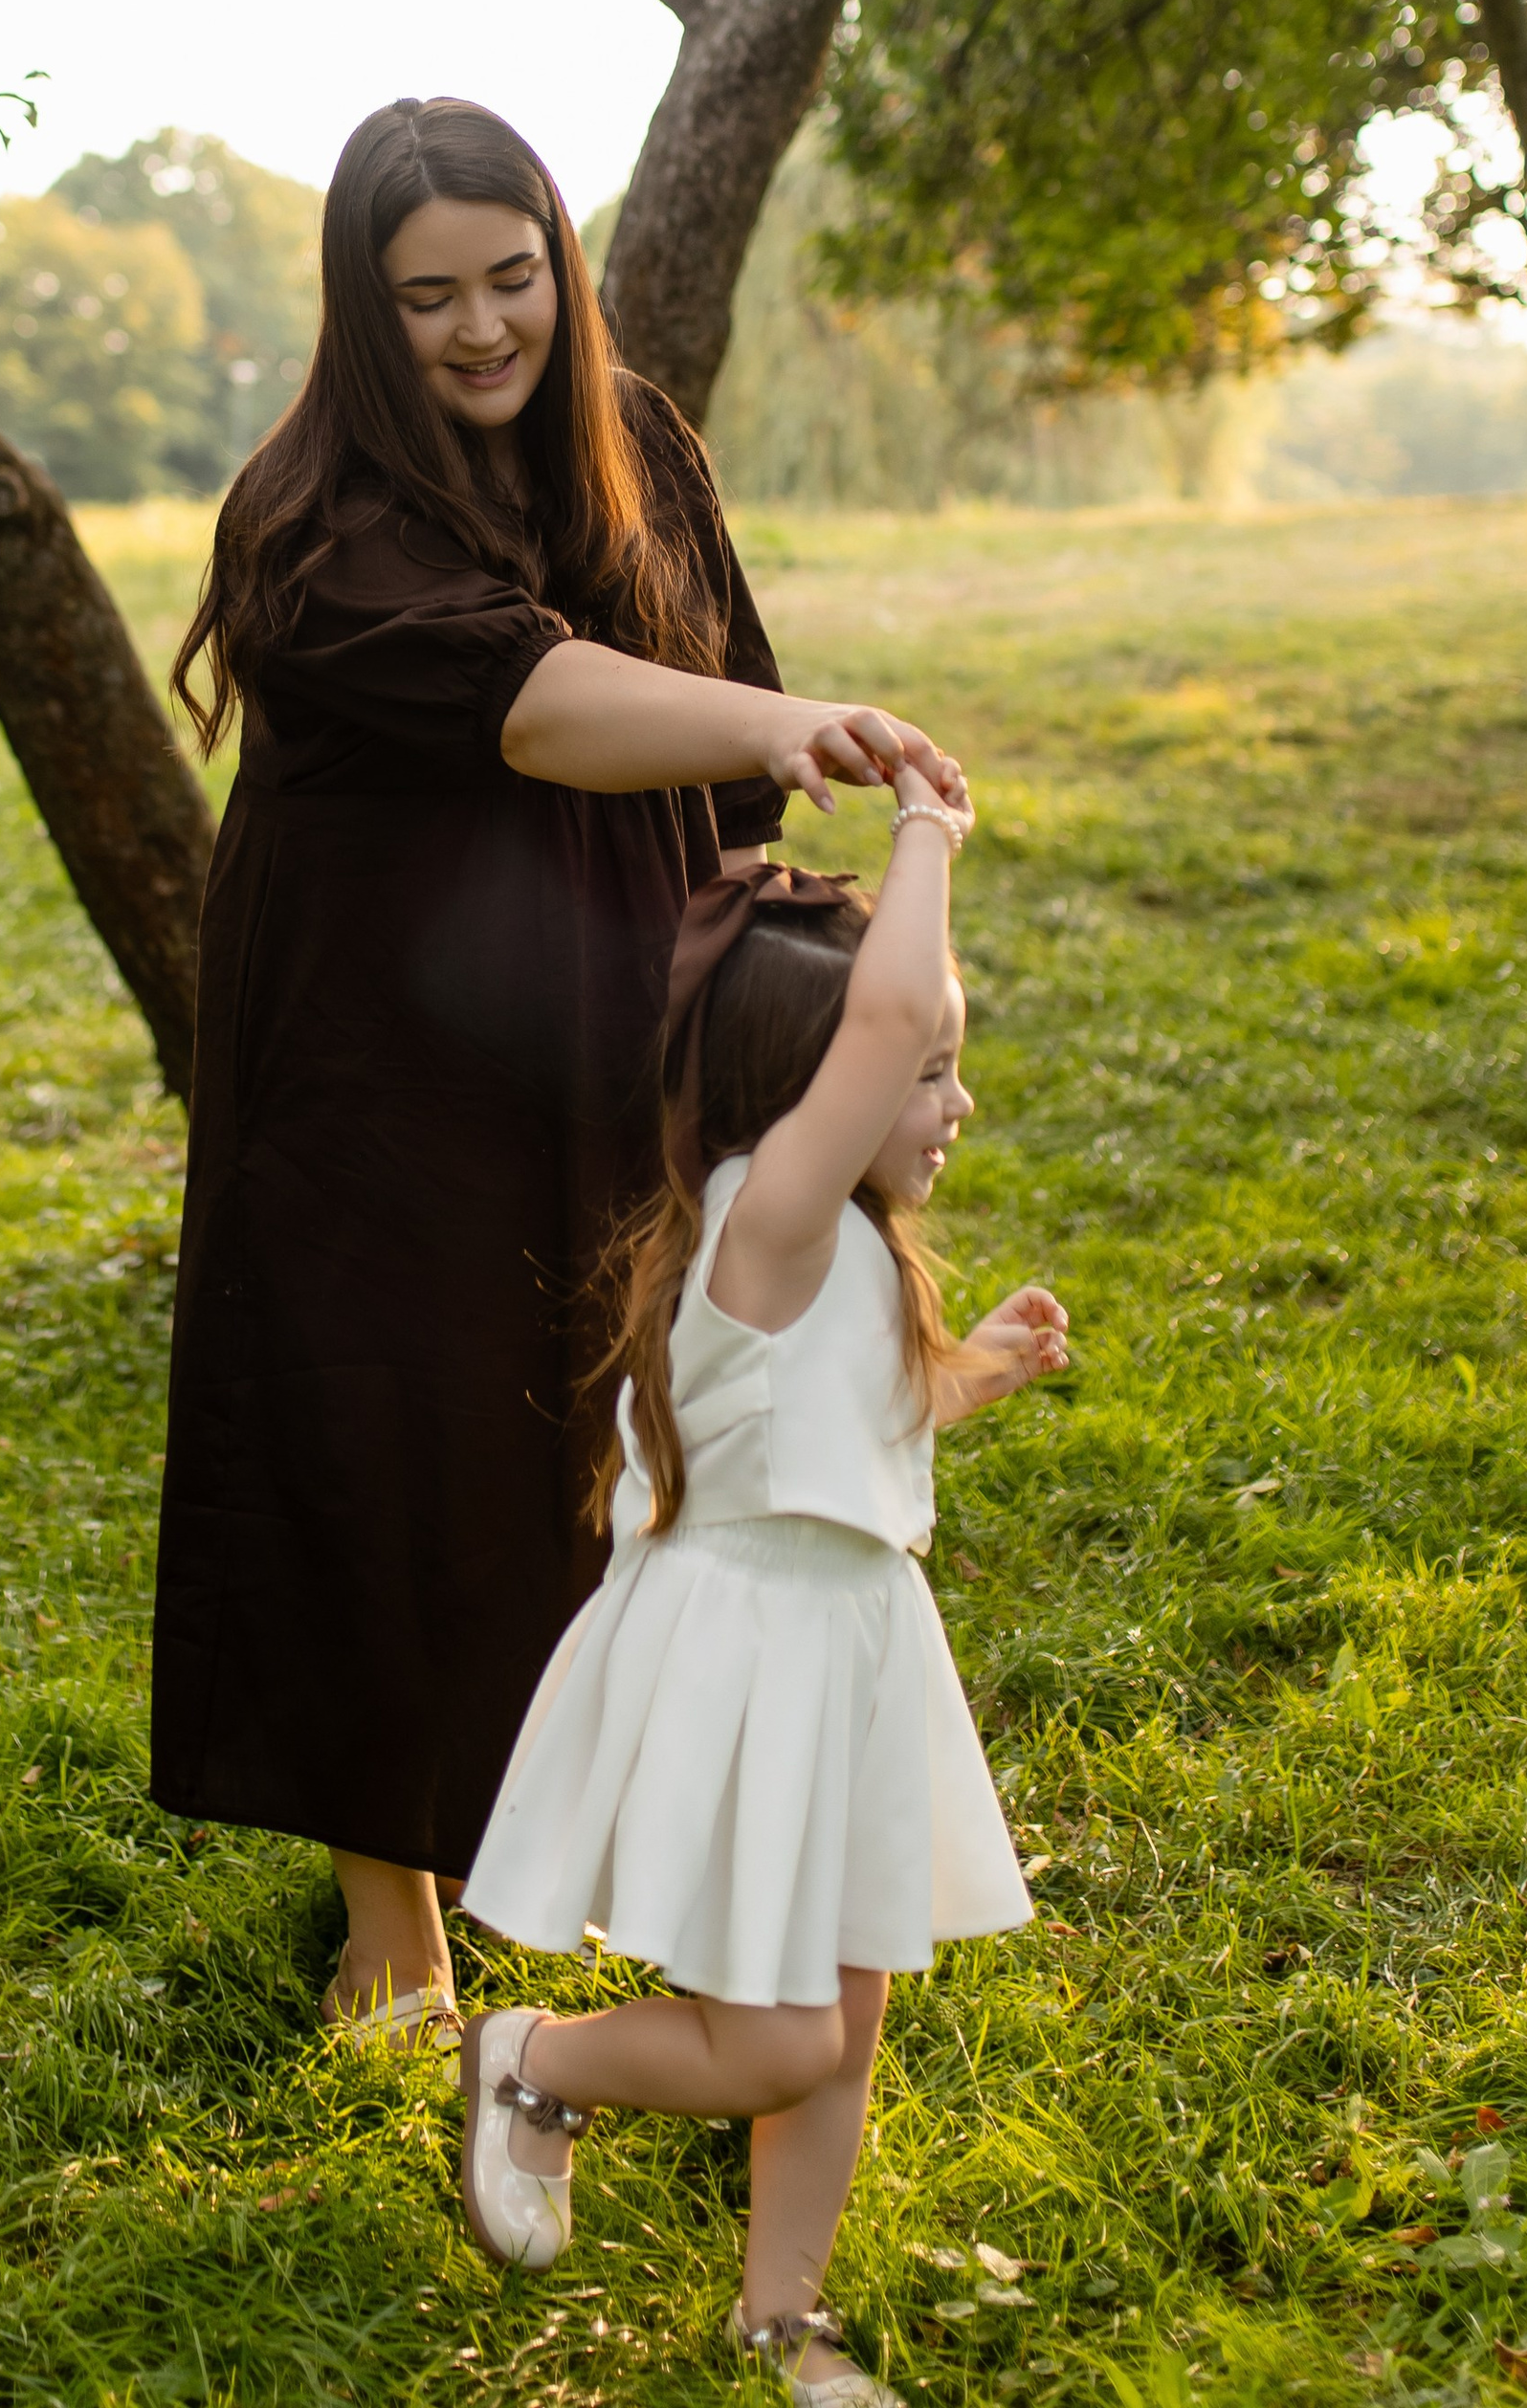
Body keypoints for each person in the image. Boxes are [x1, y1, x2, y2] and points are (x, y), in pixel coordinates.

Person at [155, 97, 963, 2048]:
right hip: (375, 1046)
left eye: (510, 275)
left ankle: (585, 1848)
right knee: (381, 1433)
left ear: (556, 256)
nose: (478, 326)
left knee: (611, 1438)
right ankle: (393, 1918)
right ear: (363, 307)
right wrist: (787, 723)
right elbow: (538, 707)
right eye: (424, 294)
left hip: (624, 996)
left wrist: (798, 981)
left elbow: (708, 668)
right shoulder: (310, 516)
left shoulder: (636, 439)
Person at [453, 777, 1068, 2403]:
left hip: (855, 1650)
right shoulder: (769, 1215)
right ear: (817, 1090)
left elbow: (823, 1432)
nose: (953, 1099)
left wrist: (968, 1375)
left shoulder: (839, 1246)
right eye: (927, 1070)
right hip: (756, 1655)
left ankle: (781, 2313)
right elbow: (881, 1017)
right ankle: (534, 2059)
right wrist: (928, 833)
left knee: (842, 2027)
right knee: (781, 2036)